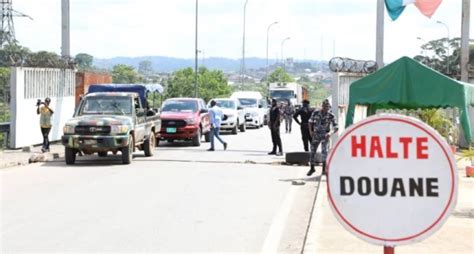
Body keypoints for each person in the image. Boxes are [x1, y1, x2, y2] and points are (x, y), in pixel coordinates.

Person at [307, 100, 338, 176]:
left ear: (329, 107)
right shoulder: (316, 113)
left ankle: (324, 170)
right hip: (316, 135)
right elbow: (310, 121)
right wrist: (310, 131)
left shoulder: (331, 115)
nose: (325, 108)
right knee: (312, 151)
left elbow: (336, 127)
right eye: (324, 106)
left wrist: (330, 133)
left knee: (325, 152)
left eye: (327, 107)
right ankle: (312, 168)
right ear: (322, 106)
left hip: (325, 135)